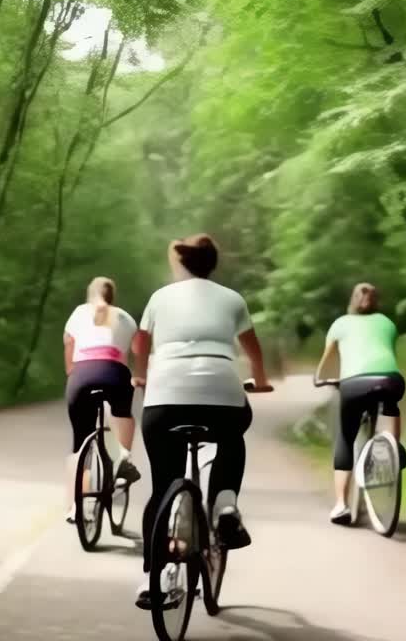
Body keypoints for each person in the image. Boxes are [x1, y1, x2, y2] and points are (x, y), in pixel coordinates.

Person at [131, 234, 273, 607]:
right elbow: (252, 346)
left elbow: (141, 343)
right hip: (221, 391)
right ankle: (225, 504)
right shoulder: (231, 298)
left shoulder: (161, 297)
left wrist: (141, 375)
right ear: (214, 263)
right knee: (233, 432)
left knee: (162, 486)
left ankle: (154, 580)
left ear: (182, 263)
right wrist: (260, 379)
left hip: (166, 396)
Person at [315, 282, 406, 525]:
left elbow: (328, 362)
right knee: (391, 404)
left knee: (346, 437)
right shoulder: (387, 323)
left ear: (352, 301)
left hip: (354, 385)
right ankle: (394, 448)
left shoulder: (340, 324)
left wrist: (322, 378)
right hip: (390, 380)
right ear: (377, 302)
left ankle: (341, 505)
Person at [63, 276, 141, 523]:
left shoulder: (78, 313)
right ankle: (125, 459)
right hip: (115, 375)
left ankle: (77, 507)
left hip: (81, 376)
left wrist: (72, 373)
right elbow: (138, 351)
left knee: (79, 446)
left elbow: (68, 345)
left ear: (90, 294)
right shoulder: (126, 317)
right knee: (123, 414)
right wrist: (138, 376)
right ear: (113, 295)